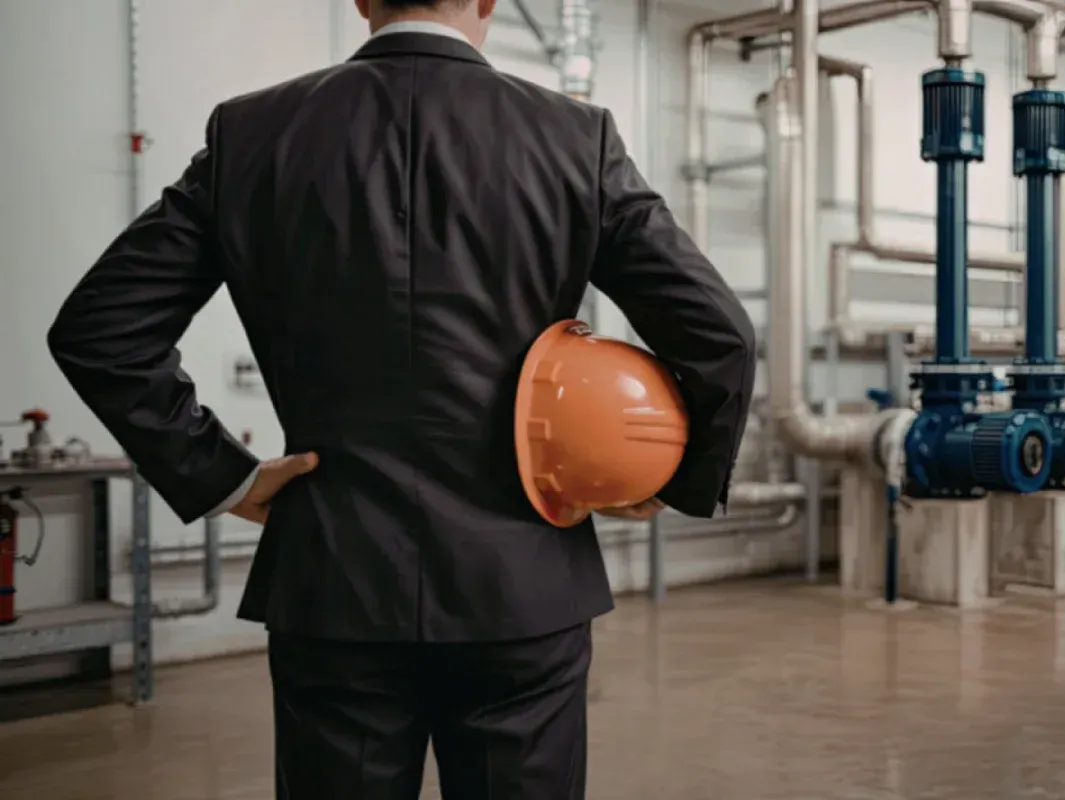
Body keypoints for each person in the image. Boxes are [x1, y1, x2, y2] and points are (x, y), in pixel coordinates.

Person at [45, 0, 756, 796]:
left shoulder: (251, 133)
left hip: (333, 579)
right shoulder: (574, 138)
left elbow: (99, 330)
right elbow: (721, 336)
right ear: (486, 0)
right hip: (523, 582)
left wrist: (226, 477)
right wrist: (670, 478)